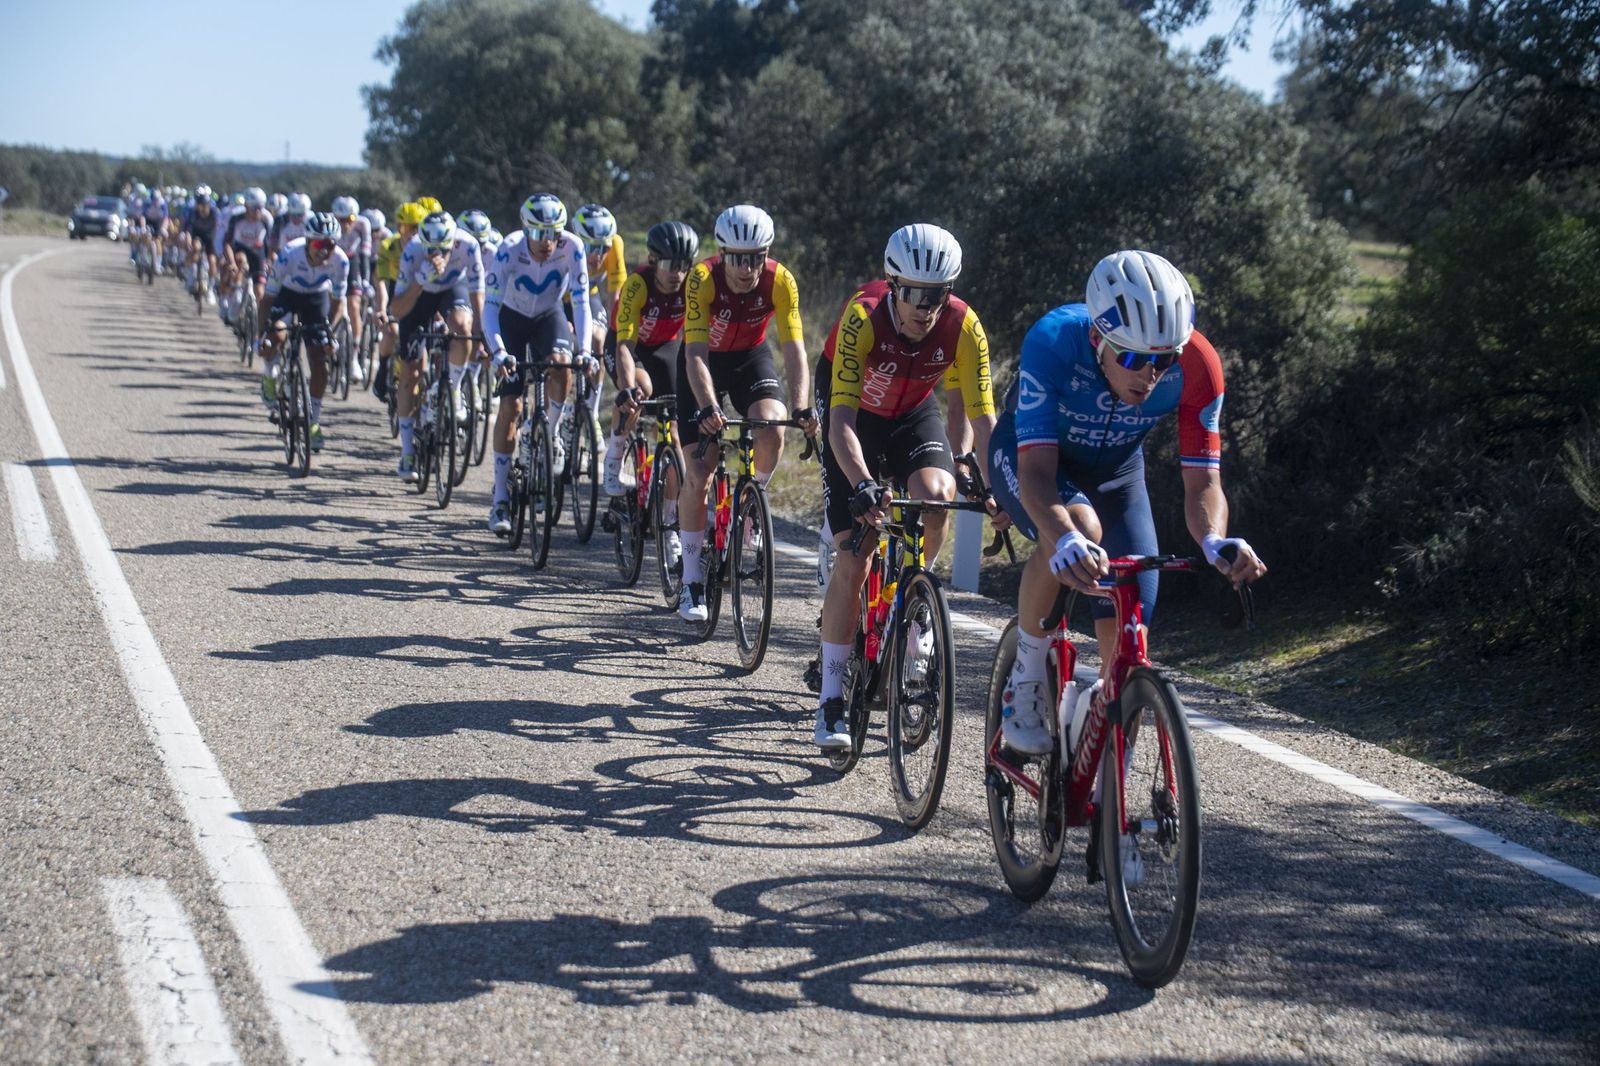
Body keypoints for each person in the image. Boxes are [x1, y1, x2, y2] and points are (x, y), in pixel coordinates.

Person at [987, 249, 1267, 755]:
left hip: (1118, 473)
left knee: (1131, 631)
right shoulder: (1053, 342)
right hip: (1034, 459)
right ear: (1098, 339)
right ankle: (1026, 676)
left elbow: (1203, 482)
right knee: (1079, 528)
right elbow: (1036, 473)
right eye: (1135, 359)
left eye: (1164, 360)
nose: (1152, 375)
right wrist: (1064, 538)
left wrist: (1213, 540)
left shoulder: (1199, 366)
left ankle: (1106, 800)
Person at [812, 224, 1004, 749]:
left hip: (912, 413)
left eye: (937, 294)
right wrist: (864, 486)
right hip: (853, 417)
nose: (926, 307)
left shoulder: (966, 327)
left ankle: (914, 601)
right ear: (893, 285)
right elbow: (839, 424)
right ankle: (831, 698)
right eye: (915, 294)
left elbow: (985, 423)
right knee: (857, 552)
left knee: (938, 498)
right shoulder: (862, 318)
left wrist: (998, 485)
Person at [675, 204, 817, 623]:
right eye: (736, 257)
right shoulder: (702, 279)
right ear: (722, 254)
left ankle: (751, 505)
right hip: (703, 364)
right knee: (701, 468)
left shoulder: (780, 280)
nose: (746, 267)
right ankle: (691, 580)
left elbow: (794, 349)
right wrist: (707, 406)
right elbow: (695, 353)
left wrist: (802, 405)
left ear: (766, 254)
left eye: (755, 257)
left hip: (750, 358)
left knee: (772, 425)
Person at [482, 193, 593, 534]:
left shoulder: (572, 247)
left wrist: (585, 350)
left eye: (554, 233)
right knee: (511, 408)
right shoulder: (509, 248)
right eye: (539, 234)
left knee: (563, 365)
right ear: (526, 230)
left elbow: (582, 303)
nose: (547, 242)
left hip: (549, 315)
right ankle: (501, 497)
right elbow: (489, 307)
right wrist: (499, 351)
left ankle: (550, 432)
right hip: (512, 318)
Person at [604, 220, 698, 563]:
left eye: (685, 265)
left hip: (665, 349)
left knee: (675, 438)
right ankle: (614, 457)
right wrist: (627, 389)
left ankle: (669, 520)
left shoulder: (692, 286)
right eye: (672, 264)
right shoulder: (637, 285)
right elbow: (625, 346)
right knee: (639, 391)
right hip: (627, 346)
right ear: (654, 260)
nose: (678, 273)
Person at [387, 210, 485, 482]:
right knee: (410, 372)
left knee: (462, 328)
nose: (436, 254)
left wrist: (481, 338)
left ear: (453, 242)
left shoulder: (468, 245)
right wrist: (419, 281)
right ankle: (407, 450)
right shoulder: (413, 252)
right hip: (418, 298)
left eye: (442, 248)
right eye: (431, 249)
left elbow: (478, 296)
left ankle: (452, 389)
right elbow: (396, 309)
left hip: (453, 288)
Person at [256, 212, 350, 452]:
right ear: (308, 241)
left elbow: (338, 303)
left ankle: (313, 422)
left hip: (316, 299)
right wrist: (261, 335)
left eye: (330, 244)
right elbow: (266, 299)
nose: (324, 250)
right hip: (286, 295)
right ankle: (269, 374)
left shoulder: (341, 261)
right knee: (276, 335)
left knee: (321, 362)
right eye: (319, 244)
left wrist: (329, 330)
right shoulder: (289, 254)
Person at [331, 195, 372, 384]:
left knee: (354, 306)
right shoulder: (329, 225)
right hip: (333, 263)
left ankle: (354, 358)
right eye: (341, 220)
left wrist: (365, 281)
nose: (346, 224)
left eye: (350, 220)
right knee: (332, 304)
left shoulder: (363, 225)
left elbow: (365, 256)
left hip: (353, 262)